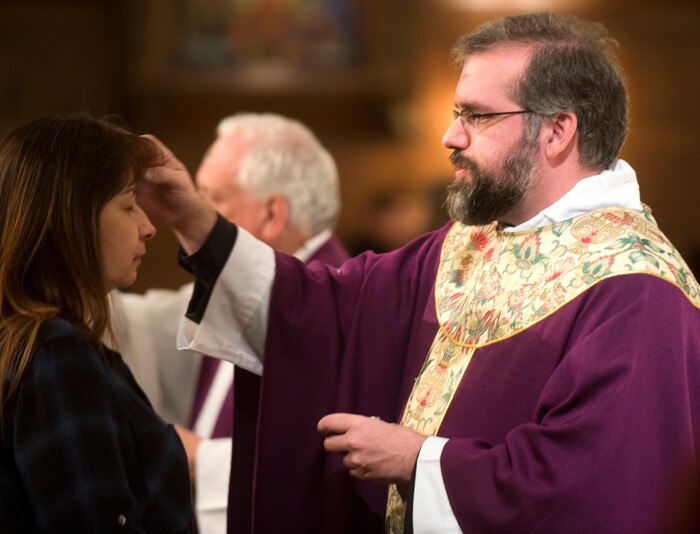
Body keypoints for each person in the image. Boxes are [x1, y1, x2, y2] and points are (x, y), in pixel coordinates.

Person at [136, 11, 700, 534]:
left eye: (477, 116)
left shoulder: (637, 287)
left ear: (557, 131)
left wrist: (418, 460)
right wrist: (196, 221)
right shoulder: (468, 244)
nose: (451, 137)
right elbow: (323, 308)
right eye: (459, 114)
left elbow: (590, 490)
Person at [112, 112, 350, 534]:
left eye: (211, 200)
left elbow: (335, 467)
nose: (187, 216)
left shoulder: (339, 309)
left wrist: (202, 460)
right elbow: (138, 321)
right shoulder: (237, 294)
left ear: (273, 213)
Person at [0, 113, 193, 532]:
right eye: (127, 205)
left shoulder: (42, 344)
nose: (148, 227)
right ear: (72, 220)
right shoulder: (55, 354)